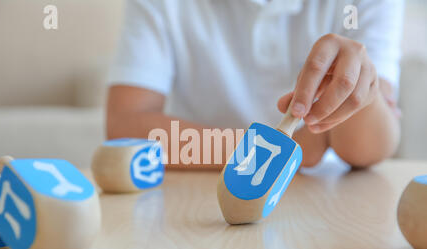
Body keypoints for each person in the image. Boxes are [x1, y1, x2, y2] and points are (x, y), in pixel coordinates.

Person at [106, 0, 403, 169]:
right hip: (198, 189)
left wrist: (362, 89)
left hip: (326, 193)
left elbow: (371, 149)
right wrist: (282, 151)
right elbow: (125, 129)